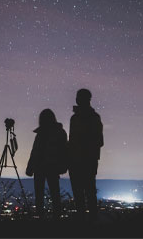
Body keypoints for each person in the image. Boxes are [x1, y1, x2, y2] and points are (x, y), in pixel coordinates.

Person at [25, 108, 68, 218]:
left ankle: (44, 217)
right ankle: (55, 216)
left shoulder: (42, 134)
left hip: (46, 167)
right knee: (53, 194)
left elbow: (35, 152)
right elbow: (64, 151)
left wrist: (30, 167)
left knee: (43, 195)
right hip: (50, 167)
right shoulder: (59, 132)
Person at [68, 88, 103, 220]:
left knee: (81, 194)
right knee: (89, 192)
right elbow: (100, 141)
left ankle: (83, 223)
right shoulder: (93, 118)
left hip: (80, 161)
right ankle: (90, 222)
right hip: (88, 161)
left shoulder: (76, 118)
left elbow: (98, 141)